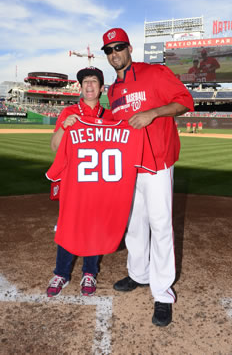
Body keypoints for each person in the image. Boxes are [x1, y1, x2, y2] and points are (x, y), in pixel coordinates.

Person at [101, 28, 194, 327]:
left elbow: (184, 101)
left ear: (129, 48)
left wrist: (153, 113)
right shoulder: (113, 91)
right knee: (135, 225)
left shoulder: (154, 73)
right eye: (109, 50)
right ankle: (139, 274)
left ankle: (163, 294)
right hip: (130, 167)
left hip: (156, 163)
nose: (114, 53)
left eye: (118, 47)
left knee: (160, 225)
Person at [46, 66, 113, 298]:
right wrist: (65, 127)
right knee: (68, 226)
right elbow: (55, 147)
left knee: (94, 227)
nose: (89, 85)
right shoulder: (69, 112)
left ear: (102, 88)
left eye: (94, 81)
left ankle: (89, 272)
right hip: (73, 183)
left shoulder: (111, 117)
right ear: (81, 87)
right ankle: (61, 273)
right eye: (85, 82)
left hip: (99, 185)